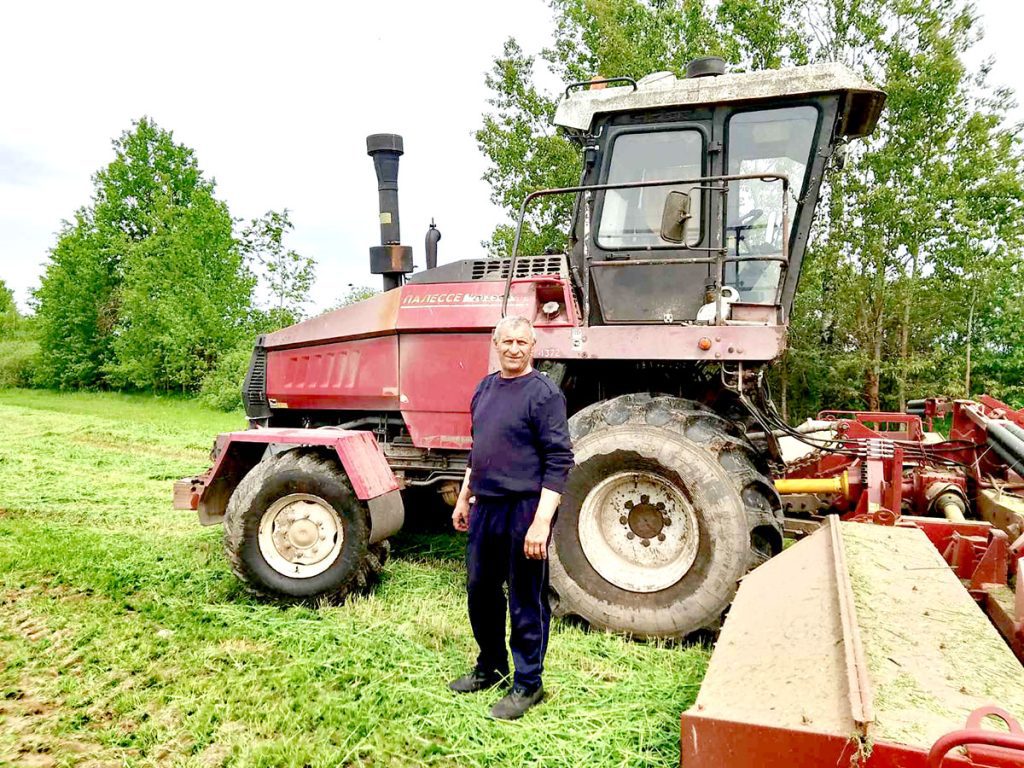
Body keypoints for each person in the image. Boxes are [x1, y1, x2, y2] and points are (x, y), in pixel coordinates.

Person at [448, 315, 574, 720]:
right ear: (496, 343)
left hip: (525, 509)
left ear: (533, 346)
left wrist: (541, 522)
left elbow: (559, 461)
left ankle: (528, 683)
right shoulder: (484, 388)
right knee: (480, 590)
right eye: (508, 341)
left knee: (525, 597)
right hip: (486, 506)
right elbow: (478, 449)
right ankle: (491, 666)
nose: (515, 348)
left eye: (522, 342)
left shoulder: (544, 394)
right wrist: (464, 498)